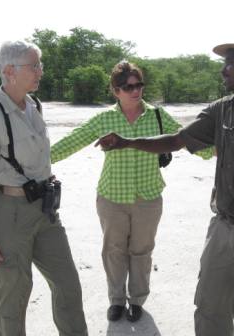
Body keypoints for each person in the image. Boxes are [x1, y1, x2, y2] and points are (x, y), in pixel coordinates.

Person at [96, 36, 234, 336]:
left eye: (229, 63)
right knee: (209, 312)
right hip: (222, 229)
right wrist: (126, 142)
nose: (223, 70)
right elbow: (176, 140)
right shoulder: (221, 109)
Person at [51, 61, 212, 323]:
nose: (135, 91)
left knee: (142, 251)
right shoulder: (104, 119)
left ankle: (137, 300)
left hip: (148, 197)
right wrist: (39, 160)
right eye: (128, 87)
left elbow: (188, 139)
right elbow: (73, 141)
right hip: (112, 196)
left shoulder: (158, 116)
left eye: (139, 85)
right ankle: (116, 300)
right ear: (116, 91)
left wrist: (216, 150)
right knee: (113, 251)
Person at [0, 40, 87, 336]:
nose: (40, 72)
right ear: (9, 71)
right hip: (11, 214)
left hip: (45, 210)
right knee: (14, 296)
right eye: (34, 66)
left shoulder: (33, 105)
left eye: (40, 65)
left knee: (68, 285)